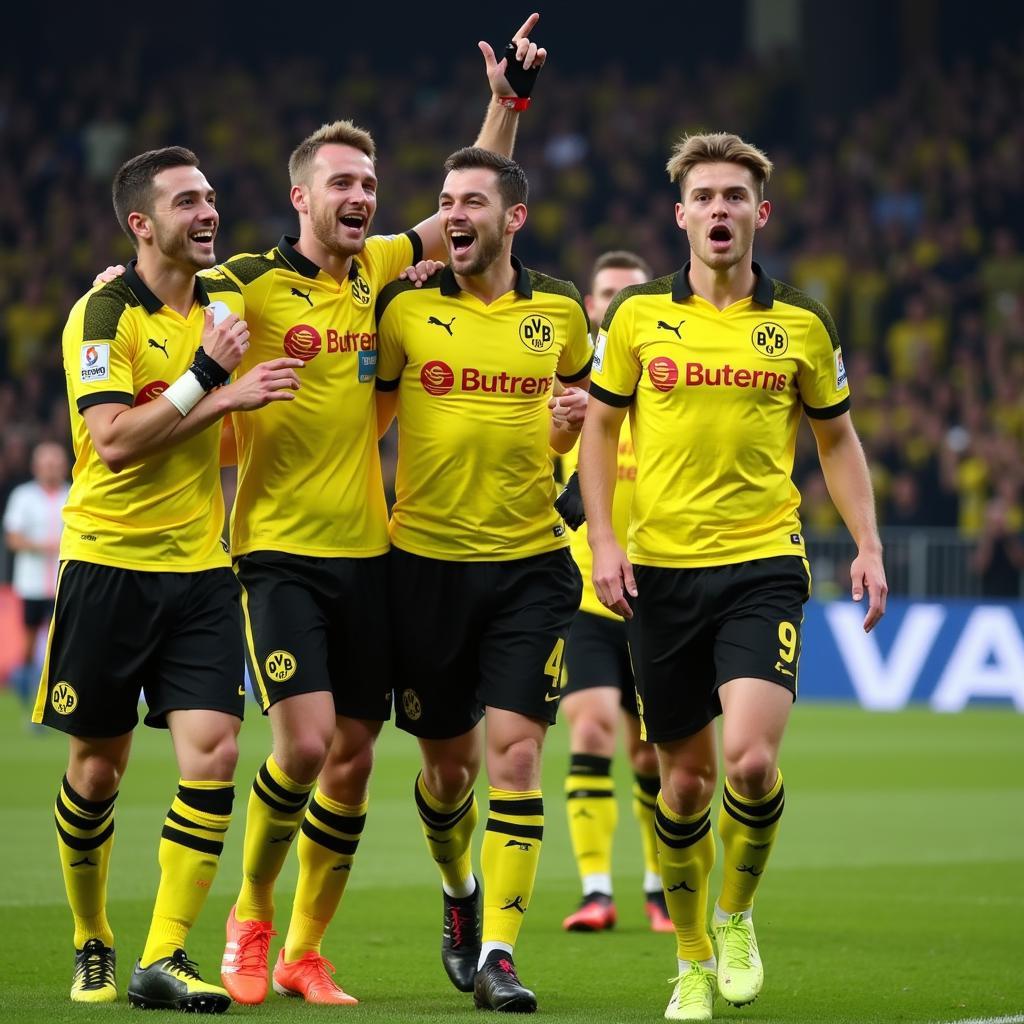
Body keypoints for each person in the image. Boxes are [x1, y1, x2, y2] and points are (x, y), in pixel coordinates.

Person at [212, 18, 548, 1007]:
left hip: (371, 554)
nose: (361, 198)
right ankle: (248, 916)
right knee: (306, 746)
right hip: (275, 549)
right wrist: (118, 283)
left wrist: (507, 104)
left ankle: (305, 951)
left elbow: (472, 208)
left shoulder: (382, 274)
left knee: (354, 759)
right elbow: (167, 283)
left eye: (369, 184)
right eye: (342, 184)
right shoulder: (248, 280)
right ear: (300, 195)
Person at [579, 132, 887, 1022]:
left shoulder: (802, 321)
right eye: (704, 196)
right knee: (684, 785)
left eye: (735, 197)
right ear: (680, 215)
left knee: (750, 764)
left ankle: (736, 916)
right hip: (661, 573)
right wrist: (604, 539)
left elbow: (835, 439)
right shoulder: (636, 317)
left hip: (762, 564)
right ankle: (689, 960)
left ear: (762, 212)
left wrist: (866, 544)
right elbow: (599, 430)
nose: (720, 209)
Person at [33, 146, 301, 1011]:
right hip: (108, 564)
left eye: (212, 196)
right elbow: (111, 442)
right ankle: (92, 937)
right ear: (142, 224)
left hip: (199, 569)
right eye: (187, 201)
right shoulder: (103, 312)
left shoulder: (225, 300)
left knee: (217, 752)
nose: (208, 211)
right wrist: (211, 385)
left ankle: (164, 952)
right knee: (97, 772)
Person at [374, 147, 592, 1013]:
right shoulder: (405, 308)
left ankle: (499, 952)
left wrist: (568, 432)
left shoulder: (563, 313)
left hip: (529, 566)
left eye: (471, 200)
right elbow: (361, 407)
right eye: (443, 201)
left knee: (517, 755)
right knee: (447, 775)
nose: (452, 214)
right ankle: (460, 889)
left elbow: (581, 428)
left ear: (513, 218)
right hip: (422, 566)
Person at [555, 251, 674, 935]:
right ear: (593, 306)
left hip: (659, 591)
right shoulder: (565, 386)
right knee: (593, 726)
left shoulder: (667, 377)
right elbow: (538, 462)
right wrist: (561, 426)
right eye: (607, 292)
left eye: (632, 291)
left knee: (650, 753)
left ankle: (659, 887)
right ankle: (596, 889)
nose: (618, 300)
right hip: (583, 597)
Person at [3, 441, 69, 710]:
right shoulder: (23, 496)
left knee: (63, 645)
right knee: (29, 645)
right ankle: (28, 701)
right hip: (31, 585)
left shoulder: (74, 493)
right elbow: (13, 538)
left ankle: (60, 701)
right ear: (36, 467)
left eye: (56, 464)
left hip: (65, 583)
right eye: (47, 464)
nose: (52, 469)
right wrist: (47, 546)